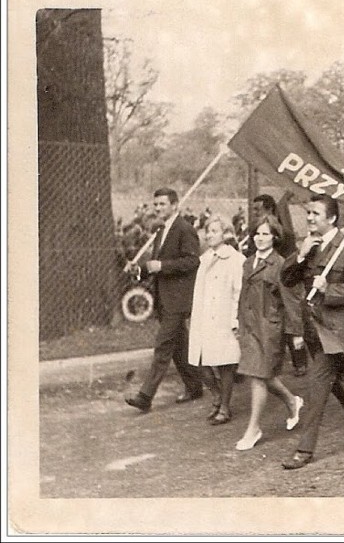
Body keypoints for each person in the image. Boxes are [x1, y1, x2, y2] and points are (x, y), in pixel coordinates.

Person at [280, 195, 344, 469]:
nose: (309, 218)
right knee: (332, 381)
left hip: (335, 333)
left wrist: (328, 290)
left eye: (315, 214)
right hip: (312, 327)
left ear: (331, 218)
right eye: (308, 213)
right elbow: (287, 279)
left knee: (317, 384)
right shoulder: (310, 246)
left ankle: (305, 449)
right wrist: (299, 256)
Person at [125, 188, 203, 412]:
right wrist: (138, 272)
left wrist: (163, 266)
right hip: (165, 298)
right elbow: (155, 265)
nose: (158, 208)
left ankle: (145, 396)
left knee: (163, 345)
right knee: (178, 346)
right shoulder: (162, 230)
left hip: (177, 300)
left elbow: (192, 261)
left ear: (175, 205)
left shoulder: (184, 229)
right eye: (156, 204)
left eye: (162, 204)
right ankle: (195, 385)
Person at [234, 217, 304, 451]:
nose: (260, 238)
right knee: (262, 375)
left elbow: (291, 300)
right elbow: (243, 295)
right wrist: (237, 321)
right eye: (257, 234)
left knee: (258, 375)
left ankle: (253, 428)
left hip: (269, 328)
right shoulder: (248, 262)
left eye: (265, 234)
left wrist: (296, 332)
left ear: (275, 237)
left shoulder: (281, 264)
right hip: (249, 326)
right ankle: (292, 401)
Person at [187, 215, 244, 425]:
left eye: (214, 231)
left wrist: (235, 320)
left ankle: (225, 407)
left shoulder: (235, 259)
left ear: (225, 234)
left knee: (225, 364)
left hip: (223, 317)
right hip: (203, 317)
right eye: (207, 231)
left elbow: (239, 292)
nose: (209, 235)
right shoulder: (205, 258)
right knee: (200, 360)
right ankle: (217, 395)